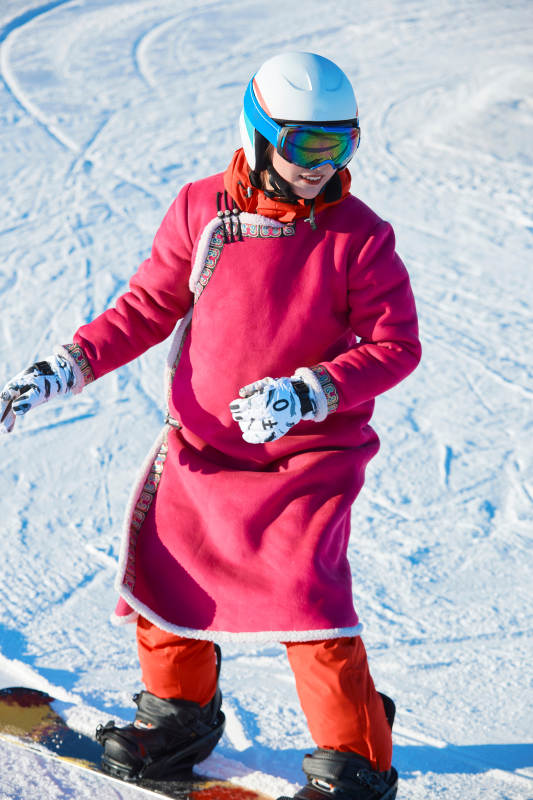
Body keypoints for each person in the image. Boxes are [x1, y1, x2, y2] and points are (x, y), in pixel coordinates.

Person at [0, 52, 421, 800]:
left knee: (307, 599)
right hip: (201, 448)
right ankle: (177, 720)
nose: (322, 165)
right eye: (303, 145)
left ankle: (357, 759)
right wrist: (66, 367)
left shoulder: (359, 236)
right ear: (258, 135)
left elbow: (395, 346)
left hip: (306, 457)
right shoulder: (203, 212)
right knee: (169, 578)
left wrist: (308, 390)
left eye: (341, 144)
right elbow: (145, 308)